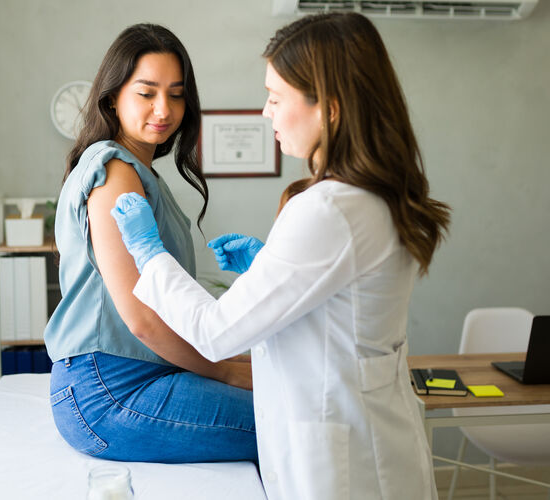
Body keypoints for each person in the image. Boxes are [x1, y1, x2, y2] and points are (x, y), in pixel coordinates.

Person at [111, 12, 450, 500]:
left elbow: (216, 331)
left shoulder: (328, 209)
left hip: (343, 467)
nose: (266, 112)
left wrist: (149, 253)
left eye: (275, 98)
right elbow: (341, 305)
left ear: (329, 109)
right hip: (370, 446)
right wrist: (270, 269)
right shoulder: (372, 196)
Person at [43, 23, 257, 463]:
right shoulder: (116, 174)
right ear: (113, 97)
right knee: (289, 421)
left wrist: (235, 359)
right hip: (109, 392)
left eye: (176, 94)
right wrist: (226, 372)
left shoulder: (139, 171)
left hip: (139, 375)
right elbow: (141, 319)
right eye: (147, 93)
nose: (164, 108)